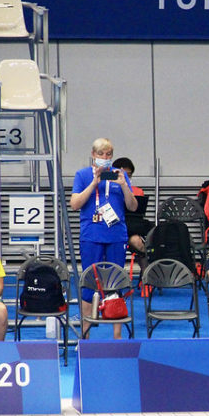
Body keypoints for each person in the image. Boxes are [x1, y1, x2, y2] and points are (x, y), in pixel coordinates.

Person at [70, 138, 137, 339]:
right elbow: (75, 204)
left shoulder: (120, 175)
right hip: (92, 236)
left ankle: (117, 338)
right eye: (101, 154)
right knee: (90, 283)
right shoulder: (82, 175)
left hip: (116, 236)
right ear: (93, 155)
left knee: (115, 283)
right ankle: (85, 338)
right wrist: (93, 183)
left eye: (108, 155)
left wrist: (124, 185)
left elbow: (133, 207)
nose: (105, 158)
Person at [112, 157, 154, 276]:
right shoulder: (107, 190)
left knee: (138, 242)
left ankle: (147, 277)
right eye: (123, 174)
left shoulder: (137, 191)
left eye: (129, 175)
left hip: (130, 229)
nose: (126, 177)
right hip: (113, 229)